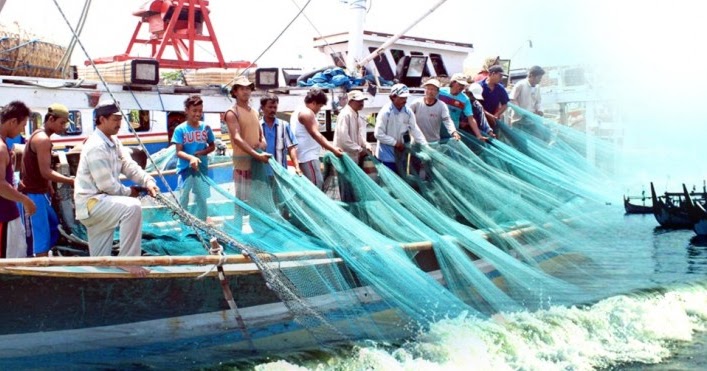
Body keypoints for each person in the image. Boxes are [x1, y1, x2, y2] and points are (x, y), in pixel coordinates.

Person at [73, 99, 158, 275]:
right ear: (101, 120)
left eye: (120, 119)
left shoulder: (114, 141)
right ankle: (128, 261)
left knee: (100, 264)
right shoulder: (96, 146)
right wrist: (129, 193)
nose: (119, 123)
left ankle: (102, 290)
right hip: (92, 204)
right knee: (132, 207)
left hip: (100, 204)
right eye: (115, 119)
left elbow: (129, 165)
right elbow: (107, 185)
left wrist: (148, 181)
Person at [19, 103, 75, 257]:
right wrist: (71, 181)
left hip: (41, 193)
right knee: (40, 239)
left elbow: (41, 169)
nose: (64, 127)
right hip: (33, 195)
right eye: (62, 123)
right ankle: (40, 270)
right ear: (51, 119)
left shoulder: (38, 135)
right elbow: (46, 172)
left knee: (53, 227)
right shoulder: (43, 140)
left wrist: (49, 186)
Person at [224, 75, 270, 202]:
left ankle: (253, 223)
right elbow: (237, 138)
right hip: (242, 164)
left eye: (248, 88)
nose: (245, 91)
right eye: (241, 88)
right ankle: (237, 223)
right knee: (241, 201)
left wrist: (263, 143)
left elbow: (261, 135)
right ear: (235, 92)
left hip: (257, 164)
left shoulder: (254, 111)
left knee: (257, 200)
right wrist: (256, 154)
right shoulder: (232, 113)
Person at [0, 101, 35, 259]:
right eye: (23, 125)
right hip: (4, 215)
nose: (22, 130)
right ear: (12, 121)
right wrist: (25, 200)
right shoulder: (1, 148)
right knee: (11, 262)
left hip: (6, 214)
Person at [171, 95, 215, 221]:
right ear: (187, 110)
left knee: (202, 197)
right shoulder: (180, 129)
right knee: (184, 197)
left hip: (201, 169)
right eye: (194, 111)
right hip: (185, 169)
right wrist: (191, 158)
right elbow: (178, 152)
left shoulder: (206, 128)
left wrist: (202, 152)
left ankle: (202, 224)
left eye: (200, 111)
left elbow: (212, 146)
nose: (198, 114)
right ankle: (183, 224)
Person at [292, 88, 343, 189]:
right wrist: (332, 149)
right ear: (314, 103)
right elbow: (315, 134)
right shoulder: (307, 113)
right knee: (316, 187)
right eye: (320, 106)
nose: (319, 109)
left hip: (305, 157)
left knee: (311, 187)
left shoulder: (299, 110)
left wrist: (323, 144)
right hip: (308, 158)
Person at [374, 83, 427, 173]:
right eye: (402, 98)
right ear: (393, 97)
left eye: (406, 98)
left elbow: (415, 130)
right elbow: (378, 134)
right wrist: (396, 143)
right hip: (386, 155)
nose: (405, 100)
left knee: (400, 180)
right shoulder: (385, 112)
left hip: (401, 154)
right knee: (389, 182)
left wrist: (425, 146)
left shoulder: (408, 112)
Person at [260, 93, 301, 175]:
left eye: (275, 107)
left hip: (281, 173)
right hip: (262, 173)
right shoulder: (257, 126)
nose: (273, 110)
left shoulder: (284, 125)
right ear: (262, 108)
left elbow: (291, 148)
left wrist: (297, 167)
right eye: (270, 107)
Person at [409, 78, 460, 143]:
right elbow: (407, 117)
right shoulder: (416, 103)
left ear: (437, 92)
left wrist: (453, 132)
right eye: (428, 89)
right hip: (417, 141)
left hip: (433, 141)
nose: (430, 92)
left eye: (433, 89)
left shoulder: (441, 106)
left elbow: (447, 120)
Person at [438, 73, 484, 140]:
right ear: (453, 82)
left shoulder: (465, 99)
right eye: (460, 84)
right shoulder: (440, 92)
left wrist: (479, 135)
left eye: (463, 85)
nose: (462, 87)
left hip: (452, 131)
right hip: (436, 128)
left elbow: (470, 118)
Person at [333, 90, 372, 163]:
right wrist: (359, 149)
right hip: (345, 158)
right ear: (350, 101)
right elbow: (344, 139)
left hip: (353, 157)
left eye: (362, 101)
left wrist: (366, 144)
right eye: (359, 101)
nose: (361, 103)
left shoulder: (355, 114)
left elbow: (359, 135)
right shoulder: (345, 115)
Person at [480, 65, 511, 130]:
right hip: (479, 119)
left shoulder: (500, 88)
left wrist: (496, 114)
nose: (501, 78)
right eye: (500, 76)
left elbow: (505, 104)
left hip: (493, 121)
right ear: (493, 74)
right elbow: (475, 104)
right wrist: (488, 115)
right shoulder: (479, 86)